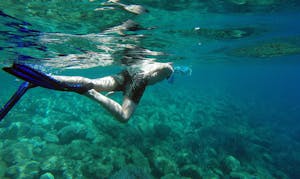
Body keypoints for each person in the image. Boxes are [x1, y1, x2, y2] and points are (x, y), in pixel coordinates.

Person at [0, 62, 174, 122]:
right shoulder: (170, 69)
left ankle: (47, 76)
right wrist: (154, 72)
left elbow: (130, 83)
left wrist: (119, 91)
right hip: (139, 77)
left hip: (130, 72)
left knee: (92, 82)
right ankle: (90, 94)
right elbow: (165, 66)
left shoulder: (146, 61)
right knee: (124, 117)